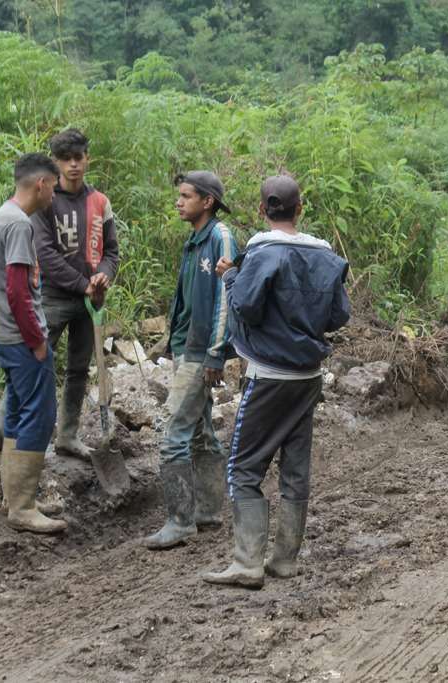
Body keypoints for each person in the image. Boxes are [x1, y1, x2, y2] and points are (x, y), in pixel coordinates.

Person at [203, 175, 350, 588]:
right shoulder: (325, 254)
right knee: (295, 467)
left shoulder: (260, 250)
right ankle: (284, 559)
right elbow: (339, 316)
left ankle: (247, 562)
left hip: (268, 375)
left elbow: (246, 308)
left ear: (262, 211)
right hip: (308, 376)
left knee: (243, 468)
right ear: (300, 209)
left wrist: (230, 277)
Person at [0, 129, 119, 459]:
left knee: (79, 368)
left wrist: (102, 278)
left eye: (78, 158)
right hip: (52, 297)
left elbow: (111, 251)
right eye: (65, 159)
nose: (73, 165)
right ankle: (0, 422)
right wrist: (82, 284)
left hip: (90, 299)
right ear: (54, 164)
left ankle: (67, 435)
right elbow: (46, 254)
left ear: (87, 158)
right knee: (34, 358)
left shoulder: (100, 202)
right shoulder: (45, 200)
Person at [144, 171, 237, 550]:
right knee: (199, 431)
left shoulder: (220, 237)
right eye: (179, 195)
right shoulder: (194, 241)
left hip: (201, 352)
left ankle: (180, 521)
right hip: (187, 348)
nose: (179, 202)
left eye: (186, 196)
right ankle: (209, 511)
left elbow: (225, 300)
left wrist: (216, 352)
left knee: (171, 434)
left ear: (207, 201)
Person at [0, 153, 68, 533]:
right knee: (39, 413)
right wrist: (36, 340)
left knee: (17, 412)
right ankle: (22, 507)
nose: (56, 191)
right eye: (54, 184)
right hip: (21, 339)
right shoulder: (18, 225)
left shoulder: (1, 216)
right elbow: (18, 292)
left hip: (4, 336)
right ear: (41, 184)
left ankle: (16, 499)